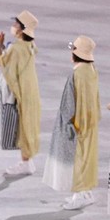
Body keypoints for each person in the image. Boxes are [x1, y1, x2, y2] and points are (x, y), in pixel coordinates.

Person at [43, 36, 100, 210]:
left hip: (76, 126)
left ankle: (81, 194)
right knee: (87, 158)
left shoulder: (76, 75)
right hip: (89, 125)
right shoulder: (91, 70)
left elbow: (68, 106)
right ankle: (86, 192)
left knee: (77, 159)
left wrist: (68, 126)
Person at [0, 10, 41, 176]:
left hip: (20, 93)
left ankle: (26, 163)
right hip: (31, 91)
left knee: (21, 126)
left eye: (16, 24)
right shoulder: (30, 46)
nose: (13, 26)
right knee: (27, 126)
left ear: (22, 29)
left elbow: (2, 64)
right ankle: (27, 161)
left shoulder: (16, 48)